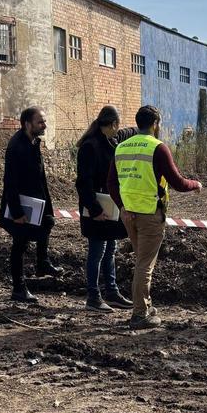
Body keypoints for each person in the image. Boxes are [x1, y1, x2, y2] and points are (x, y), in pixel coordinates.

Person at [108, 105, 202, 329]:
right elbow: (177, 182)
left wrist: (122, 206)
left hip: (128, 214)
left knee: (141, 261)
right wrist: (195, 184)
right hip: (150, 213)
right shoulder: (158, 148)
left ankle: (145, 305)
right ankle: (140, 314)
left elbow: (111, 183)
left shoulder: (121, 147)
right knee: (145, 265)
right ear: (155, 124)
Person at [75, 105, 135, 312]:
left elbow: (128, 132)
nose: (119, 130)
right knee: (97, 252)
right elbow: (83, 182)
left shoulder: (110, 140)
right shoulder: (90, 147)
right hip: (97, 209)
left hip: (109, 207)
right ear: (113, 124)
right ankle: (93, 296)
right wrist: (94, 209)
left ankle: (112, 292)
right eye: (118, 126)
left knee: (110, 249)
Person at [0, 106, 61, 304]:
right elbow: (10, 181)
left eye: (44, 121)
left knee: (48, 222)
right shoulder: (17, 146)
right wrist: (17, 212)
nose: (44, 125)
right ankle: (19, 288)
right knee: (20, 244)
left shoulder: (33, 142)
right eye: (40, 122)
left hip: (37, 202)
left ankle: (42, 262)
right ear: (27, 124)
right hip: (21, 206)